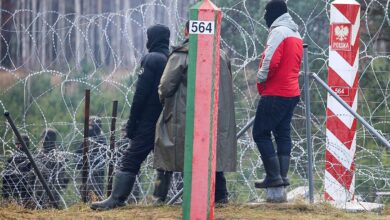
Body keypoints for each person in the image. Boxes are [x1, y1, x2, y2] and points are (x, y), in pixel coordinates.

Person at [153, 20, 237, 204]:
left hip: (183, 117)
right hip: (215, 116)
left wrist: (164, 101)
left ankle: (159, 197)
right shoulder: (221, 55)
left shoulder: (181, 55)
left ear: (186, 31)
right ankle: (221, 196)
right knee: (211, 154)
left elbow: (165, 87)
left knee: (169, 149)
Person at [90, 24, 170, 210]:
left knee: (131, 158)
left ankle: (117, 198)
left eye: (149, 37)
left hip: (148, 119)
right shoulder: (170, 58)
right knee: (163, 159)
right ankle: (160, 199)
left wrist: (133, 123)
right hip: (167, 118)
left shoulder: (152, 59)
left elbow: (140, 95)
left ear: (153, 39)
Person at [252, 0, 303, 201]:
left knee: (260, 133)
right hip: (291, 92)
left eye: (266, 12)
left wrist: (260, 80)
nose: (264, 16)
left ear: (272, 13)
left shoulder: (279, 32)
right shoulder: (295, 33)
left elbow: (270, 61)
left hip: (276, 92)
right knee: (282, 134)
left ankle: (274, 177)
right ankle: (281, 176)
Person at [33, 128, 69, 208]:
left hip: (52, 190)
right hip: (39, 189)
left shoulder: (57, 155)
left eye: (44, 139)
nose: (42, 141)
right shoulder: (40, 154)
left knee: (52, 207)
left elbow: (60, 175)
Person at [76, 116, 108, 200]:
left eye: (91, 124)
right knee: (84, 196)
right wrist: (81, 163)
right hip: (86, 173)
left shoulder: (101, 139)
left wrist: (88, 162)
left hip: (96, 174)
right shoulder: (87, 139)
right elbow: (78, 153)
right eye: (88, 123)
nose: (88, 126)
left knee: (95, 196)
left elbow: (101, 156)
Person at [2, 134, 33, 207]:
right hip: (13, 191)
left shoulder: (32, 159)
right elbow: (5, 178)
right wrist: (5, 195)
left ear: (26, 144)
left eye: (20, 144)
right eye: (17, 144)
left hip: (27, 192)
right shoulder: (11, 159)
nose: (18, 146)